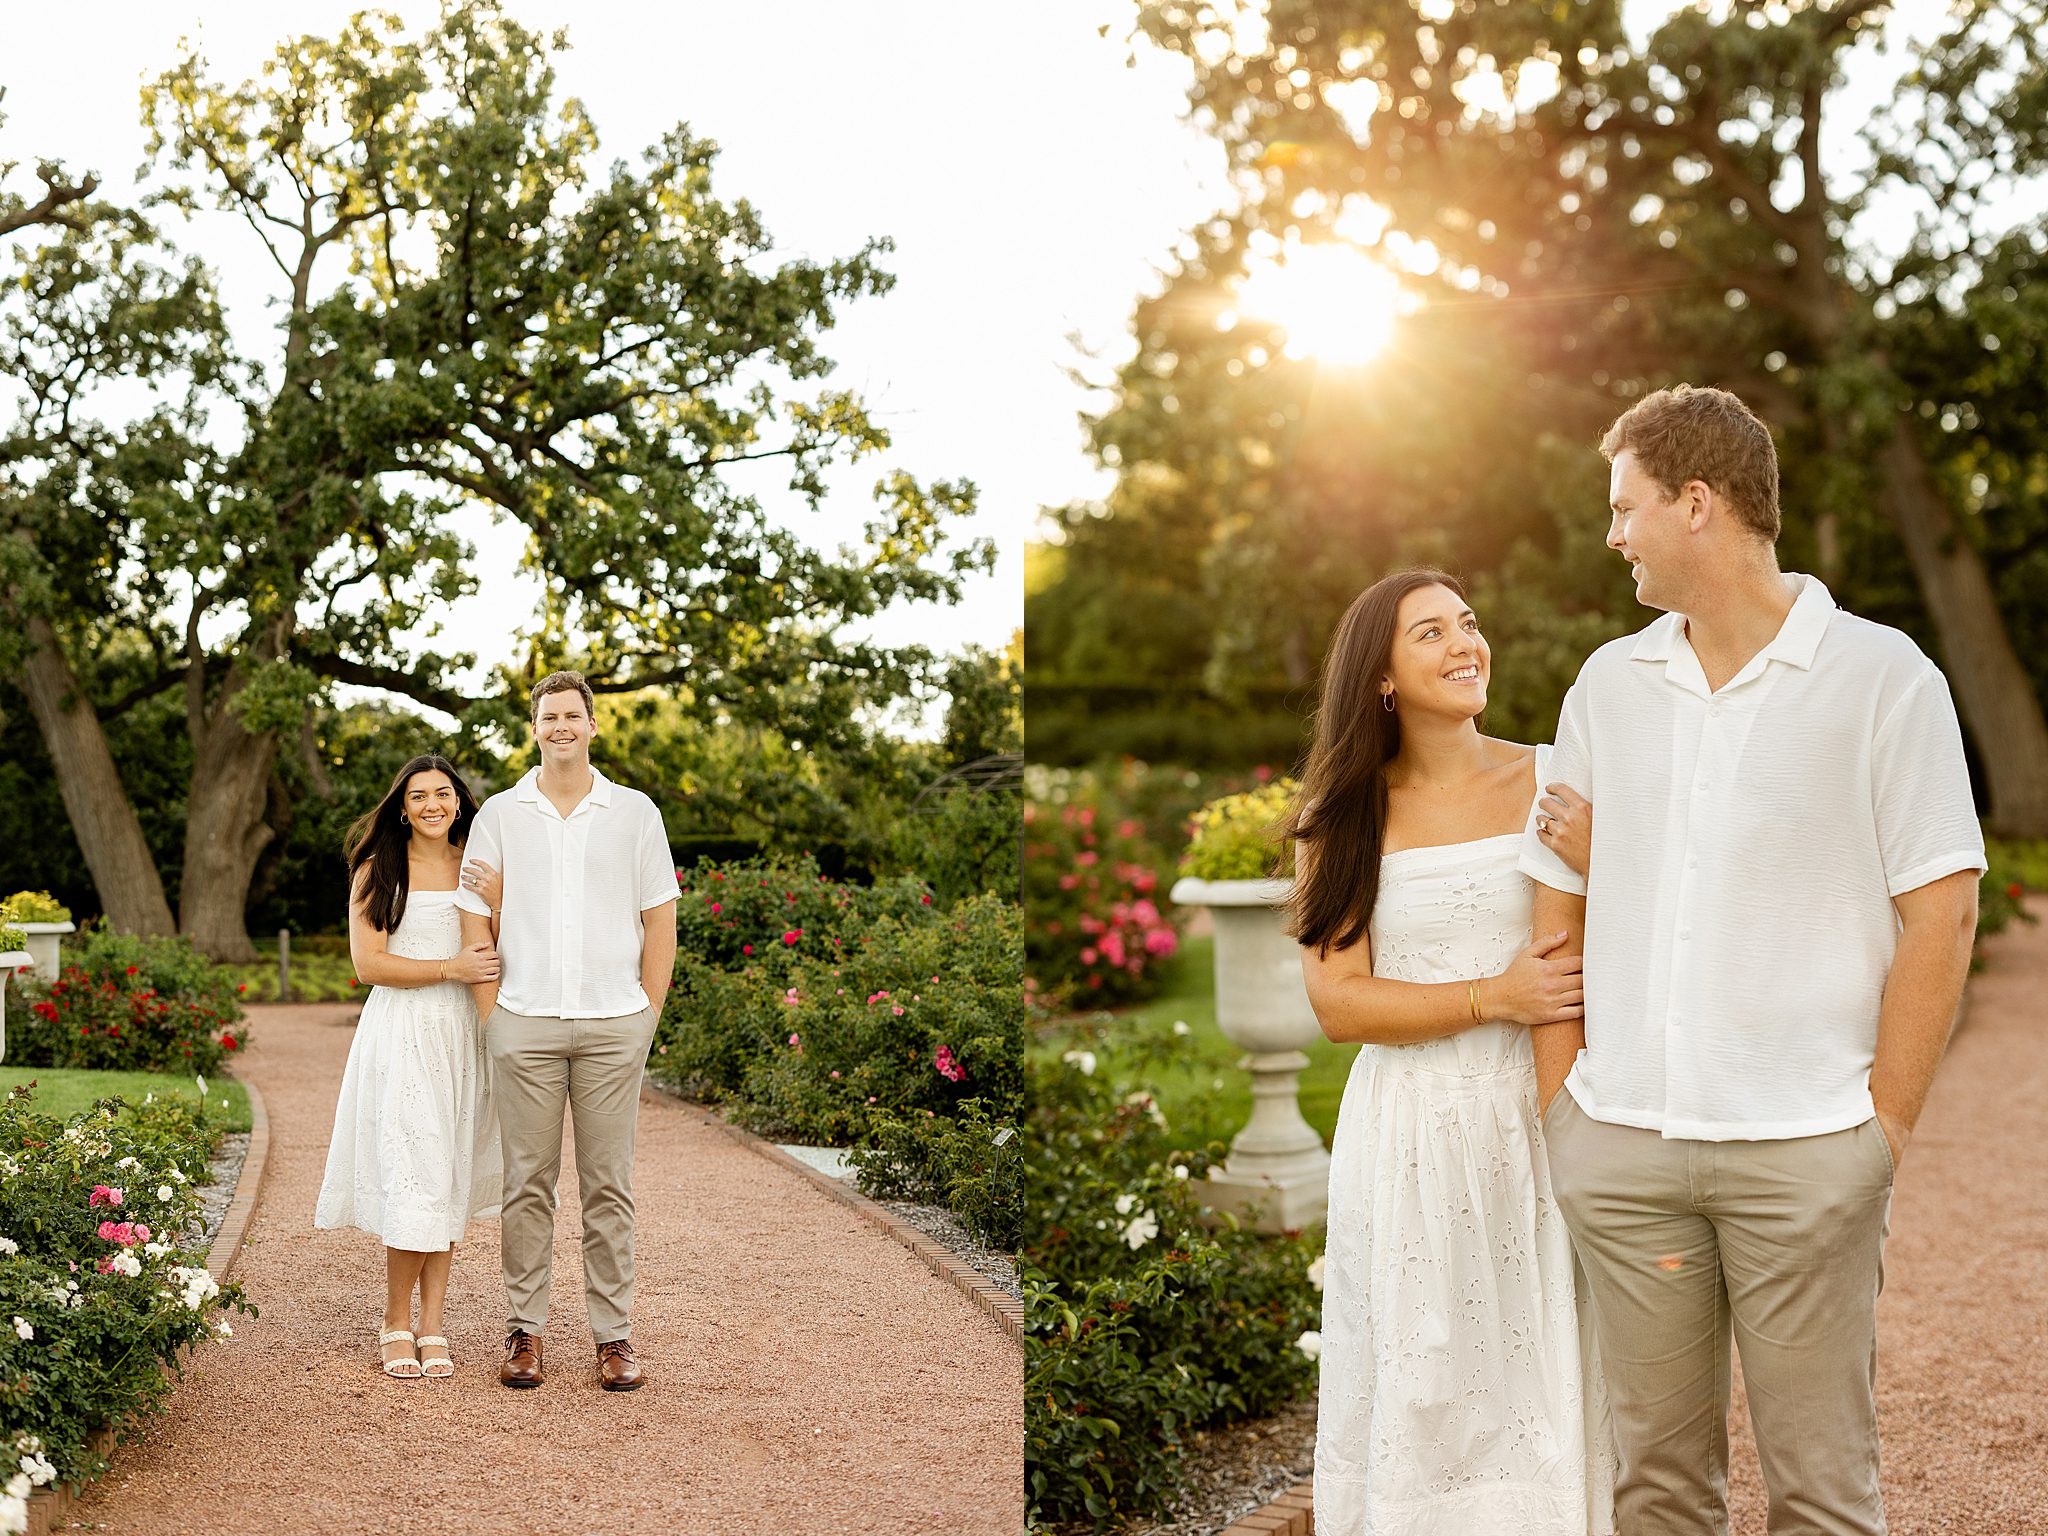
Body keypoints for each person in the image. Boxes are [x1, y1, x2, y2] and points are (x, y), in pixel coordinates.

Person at [1522, 384, 1984, 1536]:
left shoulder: (1883, 680)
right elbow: (1558, 897)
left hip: (1805, 1155)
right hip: (1625, 1152)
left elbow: (1944, 914)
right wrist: (1564, 1111)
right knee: (1656, 1491)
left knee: (1822, 1498)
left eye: (1624, 507)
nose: (1612, 534)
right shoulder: (1605, 687)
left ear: (1695, 503)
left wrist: (1877, 1134)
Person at [1287, 568, 1613, 1535]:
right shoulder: (1343, 812)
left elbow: (1614, 944)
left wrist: (1611, 858)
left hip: (1539, 1107)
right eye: (1429, 633)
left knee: (1548, 1370)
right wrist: (1491, 996)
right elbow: (1340, 1003)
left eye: (1468, 623)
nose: (1464, 643)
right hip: (1412, 1135)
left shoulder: (1553, 779)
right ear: (1380, 676)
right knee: (1429, 1383)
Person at [454, 670, 679, 1393]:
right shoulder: (499, 814)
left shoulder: (635, 812)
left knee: (609, 1187)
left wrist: (648, 1012)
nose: (560, 727)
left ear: (591, 725)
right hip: (524, 1022)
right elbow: (472, 914)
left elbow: (660, 919)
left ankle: (614, 1338)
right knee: (528, 1185)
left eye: (571, 716)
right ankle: (526, 1332)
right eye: (548, 716)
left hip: (616, 1025)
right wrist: (493, 1014)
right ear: (534, 727)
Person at [315, 754, 505, 1380]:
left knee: (446, 1173)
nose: (432, 804)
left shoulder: (476, 867)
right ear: (402, 805)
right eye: (419, 794)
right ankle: (396, 1321)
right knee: (414, 1172)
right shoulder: (379, 869)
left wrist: (498, 907)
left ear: (459, 801)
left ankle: (433, 1325)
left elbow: (500, 944)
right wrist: (451, 968)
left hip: (461, 1035)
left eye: (442, 793)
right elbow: (368, 965)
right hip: (403, 1033)